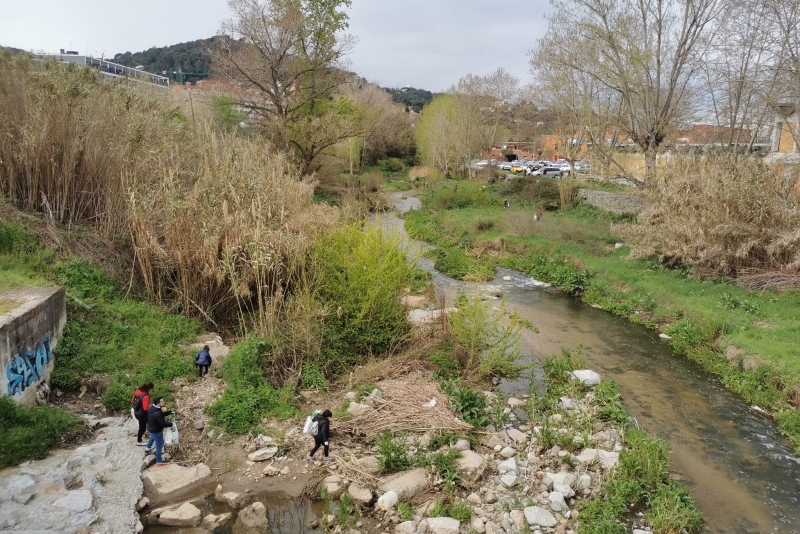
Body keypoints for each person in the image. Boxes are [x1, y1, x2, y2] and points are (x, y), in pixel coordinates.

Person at [144, 397, 174, 467]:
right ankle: (159, 461)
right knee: (159, 446)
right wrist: (172, 424)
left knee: (152, 438)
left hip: (150, 428)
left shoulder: (152, 408)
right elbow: (163, 424)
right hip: (156, 431)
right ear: (158, 403)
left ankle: (146, 450)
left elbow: (159, 415)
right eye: (162, 402)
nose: (164, 402)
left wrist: (167, 413)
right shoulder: (158, 413)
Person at [131, 382, 153, 446]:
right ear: (149, 389)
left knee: (147, 423)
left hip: (136, 411)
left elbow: (132, 401)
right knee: (142, 428)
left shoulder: (137, 391)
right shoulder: (145, 396)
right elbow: (146, 408)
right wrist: (151, 406)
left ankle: (150, 435)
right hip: (142, 414)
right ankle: (139, 441)